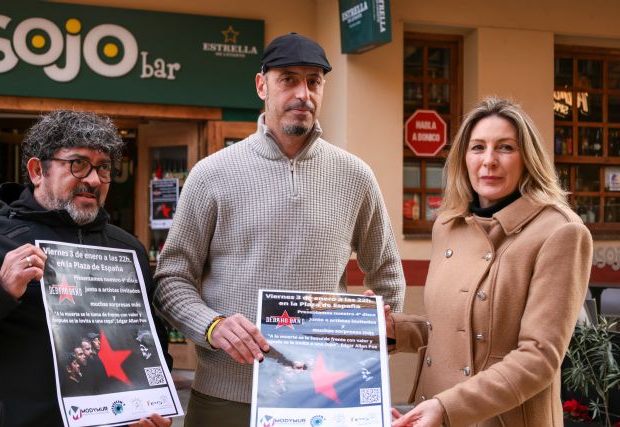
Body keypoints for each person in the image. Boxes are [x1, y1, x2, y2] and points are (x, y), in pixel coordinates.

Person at [154, 32, 405, 426]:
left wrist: (372, 346)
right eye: (288, 79)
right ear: (261, 85)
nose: (303, 93)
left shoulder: (356, 176)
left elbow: (388, 275)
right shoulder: (211, 174)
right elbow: (171, 279)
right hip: (226, 398)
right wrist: (213, 326)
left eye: (314, 81)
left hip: (324, 396)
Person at [385, 98, 593, 426]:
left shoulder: (560, 232)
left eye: (505, 148)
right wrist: (394, 330)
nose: (489, 161)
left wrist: (447, 407)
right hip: (431, 413)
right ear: (463, 158)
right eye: (478, 147)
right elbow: (451, 328)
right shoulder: (448, 224)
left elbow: (538, 358)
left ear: (527, 158)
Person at [0, 110, 173, 427]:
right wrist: (0, 291)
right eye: (78, 164)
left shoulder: (128, 249)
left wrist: (153, 408)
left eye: (104, 167)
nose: (94, 180)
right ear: (38, 171)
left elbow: (152, 344)